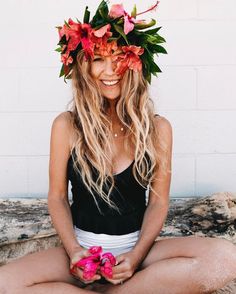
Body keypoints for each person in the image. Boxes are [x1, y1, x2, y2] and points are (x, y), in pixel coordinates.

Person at [0, 1, 236, 293]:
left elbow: (159, 202)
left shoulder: (158, 129)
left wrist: (135, 258)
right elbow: (58, 196)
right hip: (81, 252)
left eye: (120, 58)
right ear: (85, 66)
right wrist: (74, 251)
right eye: (99, 59)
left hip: (137, 250)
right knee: (4, 283)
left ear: (136, 65)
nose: (110, 71)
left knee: (225, 259)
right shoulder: (66, 125)